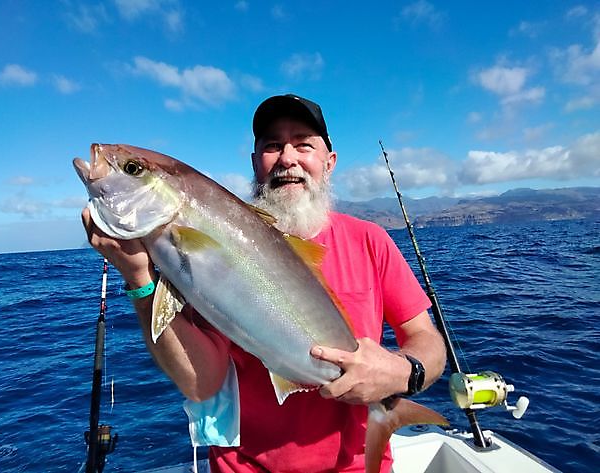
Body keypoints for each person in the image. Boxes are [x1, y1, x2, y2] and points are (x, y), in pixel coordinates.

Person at [82, 94, 446, 472]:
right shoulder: (188, 252)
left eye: (304, 144)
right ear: (256, 162)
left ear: (329, 162)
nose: (288, 158)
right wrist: (140, 279)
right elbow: (202, 384)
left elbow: (425, 339)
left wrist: (402, 373)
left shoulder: (370, 241)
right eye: (272, 145)